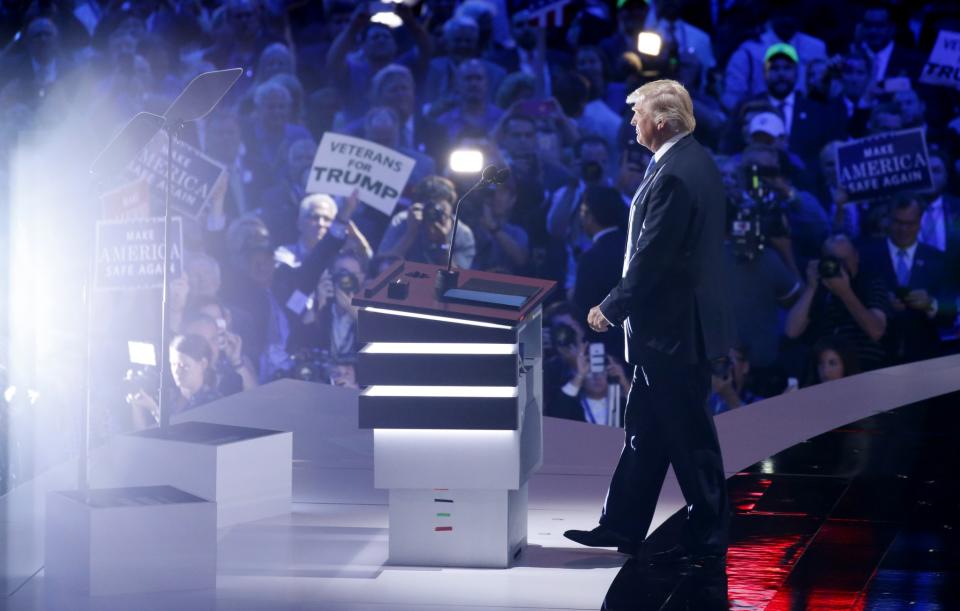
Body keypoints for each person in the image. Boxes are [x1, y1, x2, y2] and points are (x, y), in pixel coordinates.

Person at [564, 80, 734, 566]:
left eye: (637, 114)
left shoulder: (679, 172)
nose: (632, 123)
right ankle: (621, 523)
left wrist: (609, 307)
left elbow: (652, 257)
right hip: (666, 331)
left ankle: (709, 533)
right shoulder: (689, 162)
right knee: (645, 431)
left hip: (673, 331)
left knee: (689, 437)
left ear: (660, 121)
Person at [859, 197, 954, 363]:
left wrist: (930, 304)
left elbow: (950, 314)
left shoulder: (938, 260)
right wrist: (882, 303)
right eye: (898, 222)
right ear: (888, 220)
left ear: (920, 222)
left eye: (910, 223)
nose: (903, 229)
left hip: (925, 357)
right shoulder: (865, 256)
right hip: (877, 358)